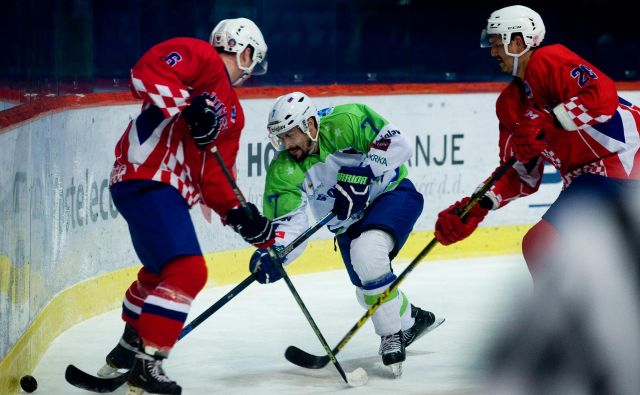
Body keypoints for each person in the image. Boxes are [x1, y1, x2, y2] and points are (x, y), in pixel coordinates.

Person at [99, 18, 274, 395]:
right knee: (189, 271)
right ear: (244, 51)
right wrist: (189, 105)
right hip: (147, 175)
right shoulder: (201, 56)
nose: (250, 70)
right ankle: (149, 363)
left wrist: (240, 214)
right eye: (252, 59)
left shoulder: (234, 114)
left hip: (163, 187)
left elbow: (214, 175)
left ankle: (128, 346)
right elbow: (146, 71)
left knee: (160, 274)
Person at [434, 5, 640, 280]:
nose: (493, 52)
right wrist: (478, 206)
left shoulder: (548, 60)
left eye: (497, 43)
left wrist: (550, 120)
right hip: (591, 179)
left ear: (517, 41)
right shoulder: (509, 105)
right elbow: (521, 175)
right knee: (548, 247)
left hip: (626, 160)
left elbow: (602, 98)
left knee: (542, 244)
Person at [248, 91, 444, 375]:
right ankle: (412, 320)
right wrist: (276, 254)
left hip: (391, 195)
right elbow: (290, 225)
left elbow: (398, 144)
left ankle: (391, 334)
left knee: (368, 252)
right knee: (367, 290)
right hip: (347, 224)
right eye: (281, 137)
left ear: (310, 125)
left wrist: (366, 171)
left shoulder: (347, 119)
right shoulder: (283, 169)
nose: (286, 144)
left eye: (291, 135)